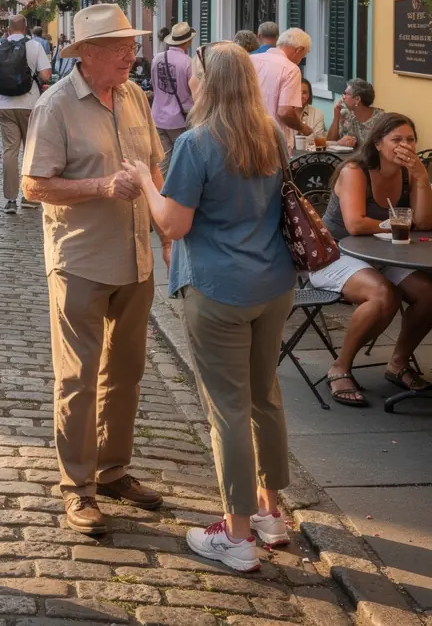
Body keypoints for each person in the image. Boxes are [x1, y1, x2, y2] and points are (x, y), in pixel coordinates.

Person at [128, 41, 296, 572]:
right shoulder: (270, 134)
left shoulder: (196, 143)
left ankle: (237, 534)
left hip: (219, 288)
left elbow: (173, 224)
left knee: (228, 410)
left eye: (196, 74)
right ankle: (271, 513)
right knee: (265, 396)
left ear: (205, 82)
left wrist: (145, 181)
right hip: (273, 284)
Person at [21, 5, 167, 538]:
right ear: (86, 53)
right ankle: (78, 487)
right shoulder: (55, 106)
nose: (132, 54)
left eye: (131, 44)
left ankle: (113, 470)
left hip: (135, 257)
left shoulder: (135, 96)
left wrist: (165, 229)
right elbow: (33, 185)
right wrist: (102, 186)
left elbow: (153, 167)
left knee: (126, 372)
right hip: (81, 259)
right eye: (119, 47)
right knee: (77, 378)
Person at [311, 113, 432, 405]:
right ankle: (340, 367)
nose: (405, 145)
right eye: (396, 139)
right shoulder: (355, 171)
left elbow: (424, 222)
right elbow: (355, 224)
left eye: (410, 139)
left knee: (428, 293)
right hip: (335, 253)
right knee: (383, 294)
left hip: (382, 255)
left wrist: (421, 178)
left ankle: (398, 363)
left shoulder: (409, 174)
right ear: (377, 143)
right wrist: (396, 224)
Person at [0, 14, 51, 214]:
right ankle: (29, 197)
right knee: (30, 150)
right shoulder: (35, 46)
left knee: (10, 151)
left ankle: (10, 200)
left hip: (5, 105)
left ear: (8, 29)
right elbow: (46, 75)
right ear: (26, 28)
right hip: (30, 104)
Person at [250, 28, 311, 147]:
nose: (299, 61)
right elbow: (285, 112)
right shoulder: (291, 69)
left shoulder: (251, 59)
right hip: (272, 141)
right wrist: (302, 127)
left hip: (247, 135)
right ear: (299, 50)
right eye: (302, 57)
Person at [150, 21, 195, 167]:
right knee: (182, 162)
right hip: (179, 119)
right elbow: (195, 91)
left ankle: (161, 183)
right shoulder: (189, 63)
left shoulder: (157, 58)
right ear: (188, 41)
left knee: (163, 162)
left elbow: (154, 85)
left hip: (157, 116)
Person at [328, 78, 383, 149]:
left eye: (346, 94)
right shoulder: (345, 114)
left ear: (357, 99)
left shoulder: (380, 119)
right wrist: (336, 118)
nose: (343, 97)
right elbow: (330, 142)